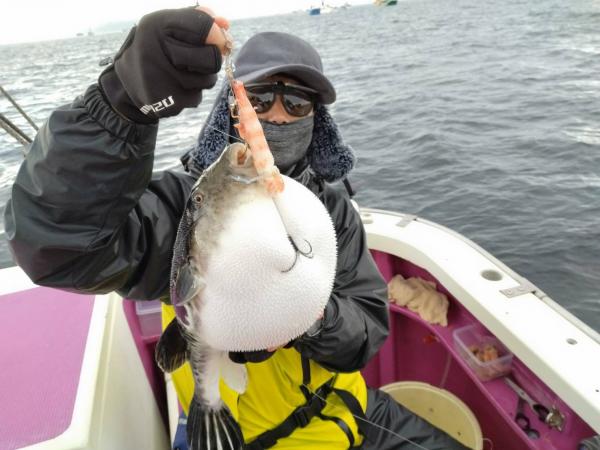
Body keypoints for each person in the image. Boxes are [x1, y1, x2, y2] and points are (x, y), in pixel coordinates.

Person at [5, 7, 468, 450]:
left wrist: (307, 319)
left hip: (352, 407)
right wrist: (122, 104)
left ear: (315, 118)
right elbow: (60, 246)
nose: (277, 115)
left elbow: (365, 334)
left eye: (297, 102)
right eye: (260, 99)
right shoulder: (188, 204)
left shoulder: (332, 211)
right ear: (232, 110)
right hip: (259, 437)